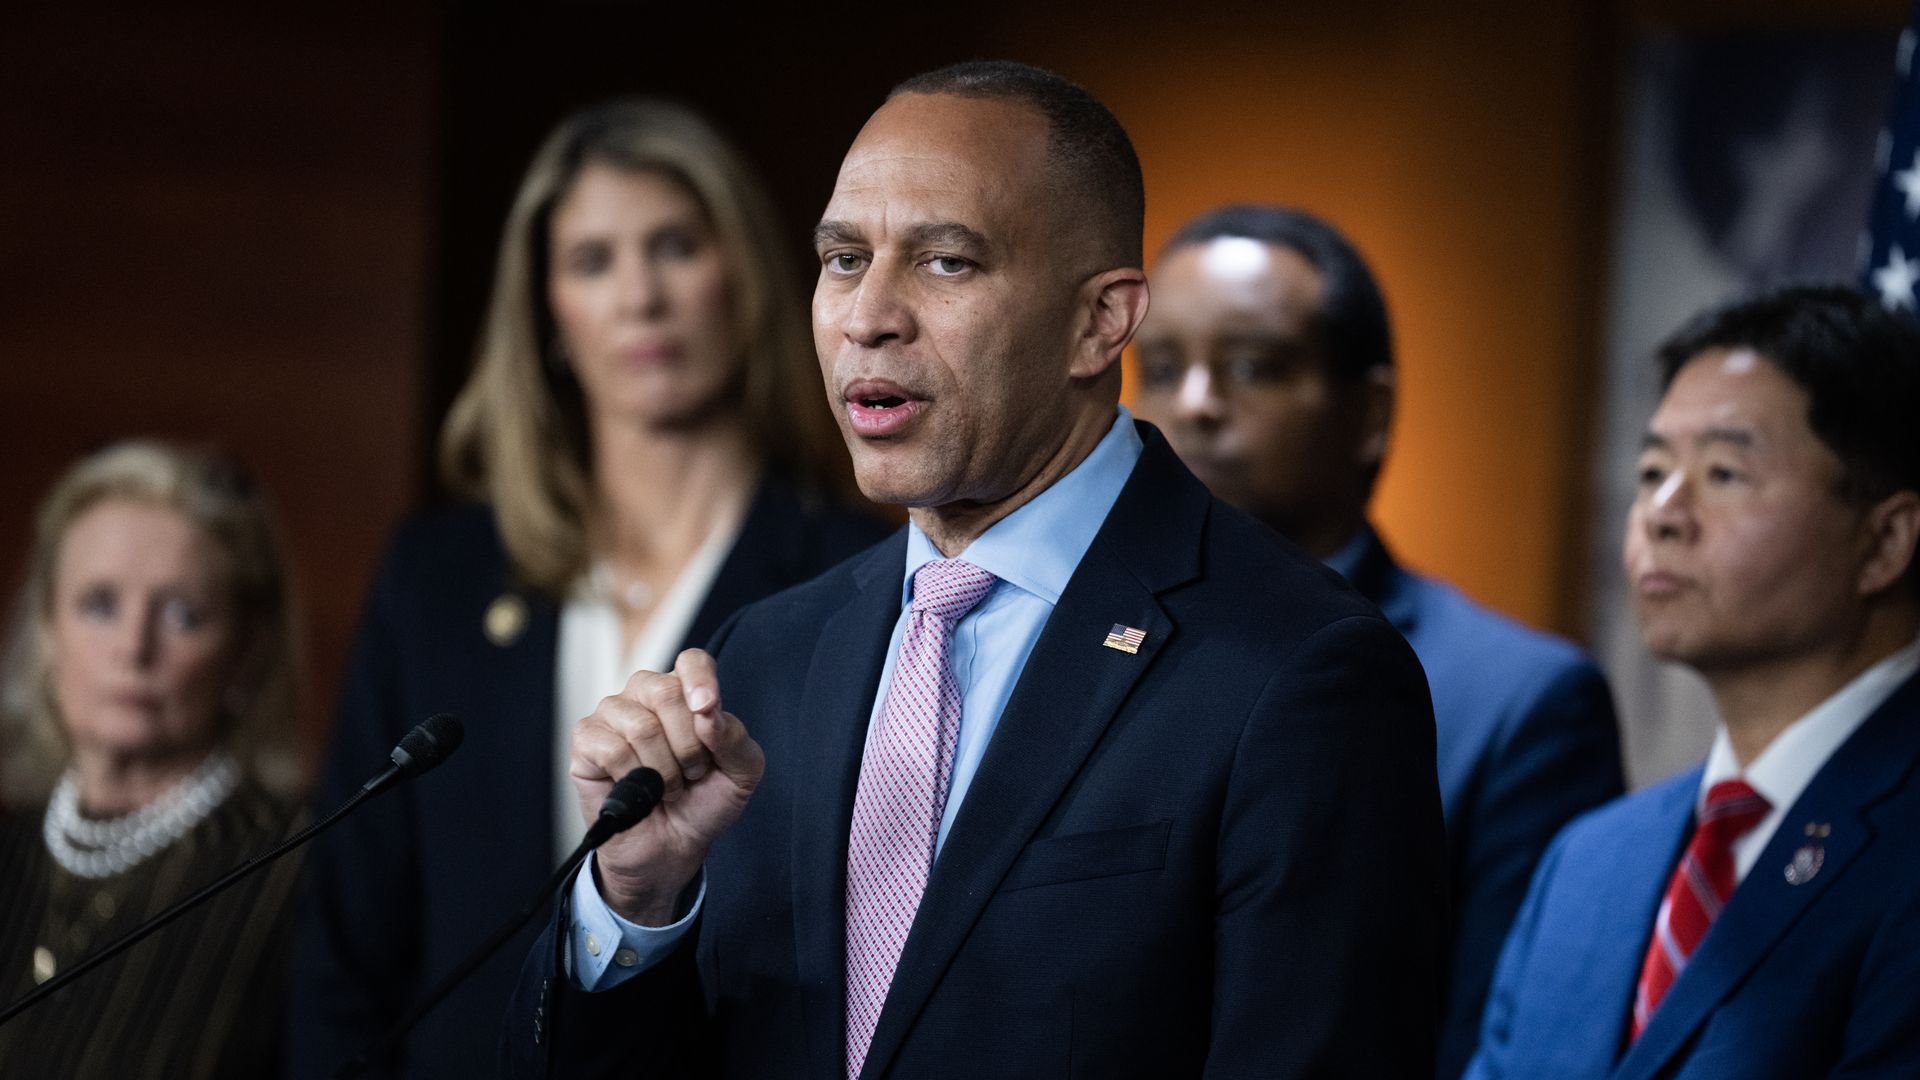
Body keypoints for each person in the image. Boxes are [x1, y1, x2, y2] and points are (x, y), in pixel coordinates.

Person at [503, 61, 1447, 1079]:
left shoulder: (1300, 671)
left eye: (946, 262)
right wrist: (636, 906)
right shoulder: (766, 654)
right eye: (843, 257)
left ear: (1102, 321)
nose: (869, 315)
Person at [286, 99, 889, 1078]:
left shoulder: (856, 574)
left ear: (741, 274)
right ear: (549, 313)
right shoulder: (437, 576)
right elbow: (344, 947)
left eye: (675, 247)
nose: (640, 296)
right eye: (593, 261)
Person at [1130, 204, 1625, 1078]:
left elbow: (1501, 1047)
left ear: (1370, 412)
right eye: (1161, 368)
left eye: (1252, 366)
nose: (1195, 405)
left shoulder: (1519, 702)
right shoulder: (1076, 648)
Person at [1466, 285, 1920, 1078]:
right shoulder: (1590, 859)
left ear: (1883, 541)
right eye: (1651, 471)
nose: (1662, 514)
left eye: (1723, 472)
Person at [0, 440, 305, 1079]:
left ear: (246, 651)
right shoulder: (10, 840)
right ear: (48, 631)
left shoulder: (298, 868)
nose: (133, 649)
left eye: (182, 615)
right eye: (100, 605)